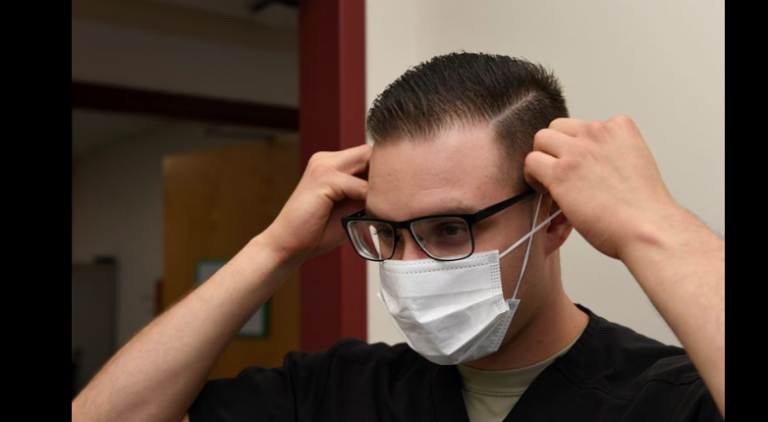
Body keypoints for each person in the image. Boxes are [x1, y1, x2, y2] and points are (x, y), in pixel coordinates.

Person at [72, 52, 725, 422]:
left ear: (552, 220)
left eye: (449, 229)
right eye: (387, 233)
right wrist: (274, 248)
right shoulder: (340, 392)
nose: (408, 266)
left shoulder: (667, 400)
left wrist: (651, 225)